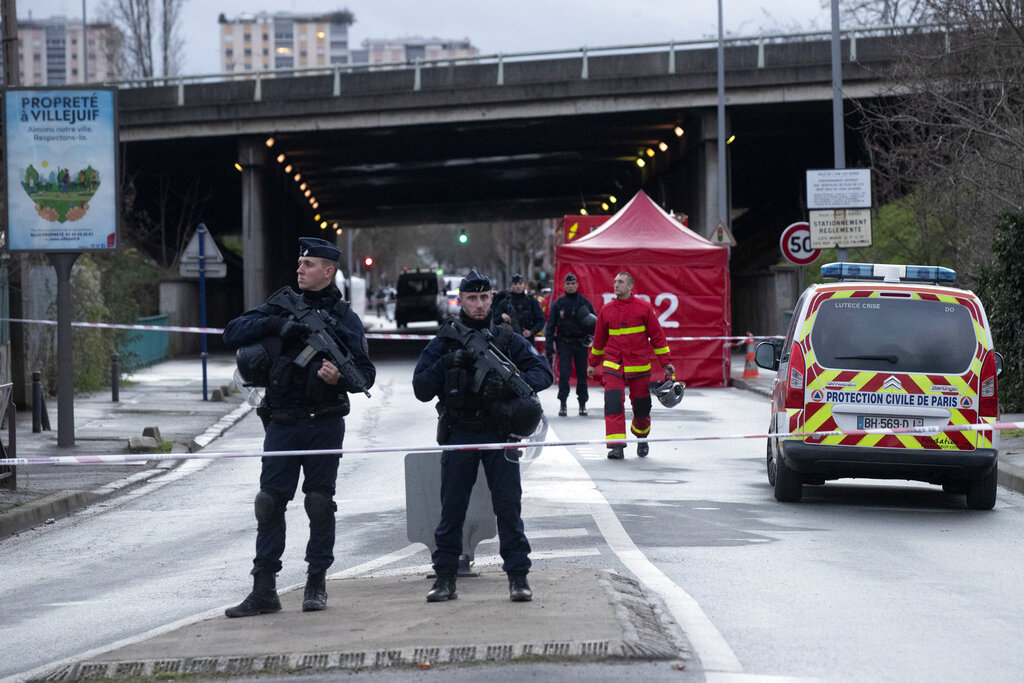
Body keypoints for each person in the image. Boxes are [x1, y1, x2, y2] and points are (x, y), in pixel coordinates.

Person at [222, 237, 376, 617]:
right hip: (283, 421)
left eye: (308, 264)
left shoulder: (345, 319)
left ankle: (316, 583)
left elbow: (365, 376)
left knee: (319, 503)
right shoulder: (280, 305)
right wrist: (278, 325)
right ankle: (263, 590)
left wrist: (337, 377)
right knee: (269, 503)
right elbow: (233, 332)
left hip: (323, 422)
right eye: (299, 262)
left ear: (329, 271)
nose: (300, 269)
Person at [413, 269, 553, 603]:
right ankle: (445, 578)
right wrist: (448, 362)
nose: (478, 304)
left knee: (508, 508)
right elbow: (421, 388)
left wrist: (509, 381)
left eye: (484, 297)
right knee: (452, 510)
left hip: (499, 433)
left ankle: (518, 577)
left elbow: (543, 372)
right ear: (460, 300)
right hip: (460, 430)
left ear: (492, 298)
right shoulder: (446, 340)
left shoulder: (505, 339)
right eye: (472, 299)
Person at [587, 271, 674, 460]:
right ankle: (616, 446)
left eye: (620, 282)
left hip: (639, 365)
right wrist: (593, 363)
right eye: (615, 282)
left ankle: (641, 438)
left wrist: (666, 363)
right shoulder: (607, 310)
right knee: (612, 404)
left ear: (630, 286)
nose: (616, 285)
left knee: (642, 407)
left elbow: (657, 337)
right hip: (613, 365)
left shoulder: (643, 308)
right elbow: (599, 339)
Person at [544, 272, 597, 417]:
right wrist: (549, 347)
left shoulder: (584, 302)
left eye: (573, 283)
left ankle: (582, 404)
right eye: (568, 284)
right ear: (564, 286)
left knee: (581, 375)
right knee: (565, 375)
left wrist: (590, 339)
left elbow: (595, 324)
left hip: (580, 343)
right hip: (564, 343)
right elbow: (550, 326)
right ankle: (563, 404)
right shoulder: (559, 304)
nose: (571, 286)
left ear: (577, 285)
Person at [494, 273, 544, 340]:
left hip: (528, 340)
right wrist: (501, 317)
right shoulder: (505, 302)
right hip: (510, 340)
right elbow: (495, 320)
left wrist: (531, 331)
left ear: (524, 285)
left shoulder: (532, 301)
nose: (518, 286)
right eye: (515, 284)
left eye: (520, 284)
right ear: (511, 286)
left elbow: (540, 320)